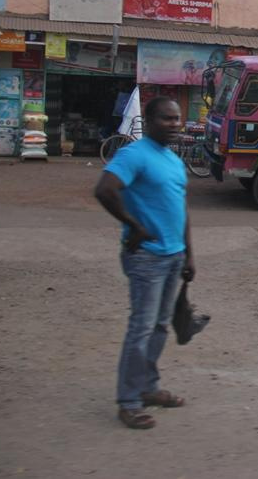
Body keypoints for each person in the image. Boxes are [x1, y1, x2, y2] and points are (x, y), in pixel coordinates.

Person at [94, 96, 195, 430]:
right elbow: (105, 189)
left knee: (160, 326)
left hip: (173, 256)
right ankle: (129, 401)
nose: (175, 124)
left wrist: (189, 254)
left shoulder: (173, 160)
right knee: (141, 328)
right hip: (147, 259)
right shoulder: (133, 154)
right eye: (167, 119)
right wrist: (133, 225)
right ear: (149, 121)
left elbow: (181, 210)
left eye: (177, 118)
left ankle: (147, 388)